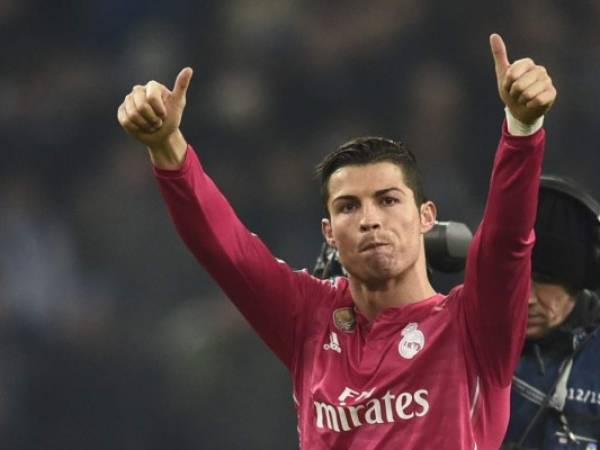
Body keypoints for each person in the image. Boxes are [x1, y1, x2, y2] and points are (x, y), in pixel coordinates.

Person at [117, 34, 556, 449]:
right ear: (328, 231)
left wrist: (522, 127)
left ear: (426, 217)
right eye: (348, 207)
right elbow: (226, 249)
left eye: (387, 200)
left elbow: (507, 241)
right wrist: (166, 144)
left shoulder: (473, 325)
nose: (369, 220)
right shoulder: (309, 318)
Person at [502, 176, 600, 449]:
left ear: (579, 281)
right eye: (516, 281)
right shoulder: (468, 347)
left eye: (543, 280)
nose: (527, 299)